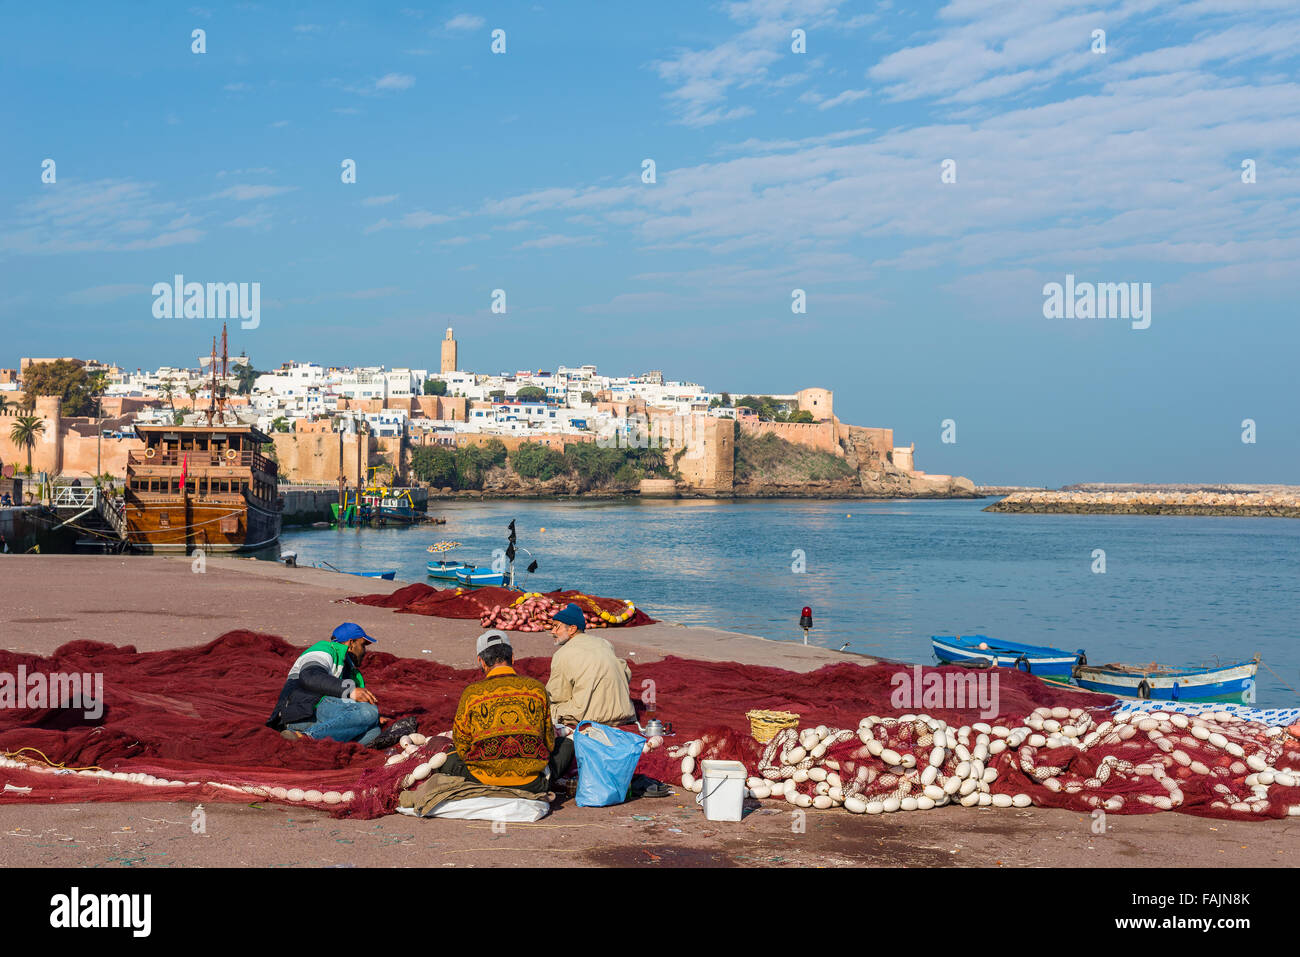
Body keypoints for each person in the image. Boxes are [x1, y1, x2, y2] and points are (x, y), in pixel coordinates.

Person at [440, 630, 571, 794]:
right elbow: (549, 742)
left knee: (448, 758)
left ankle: (491, 784)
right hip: (531, 782)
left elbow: (462, 745)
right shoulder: (536, 689)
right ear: (513, 658)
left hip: (483, 778)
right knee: (566, 745)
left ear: (481, 661)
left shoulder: (471, 694)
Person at [266, 622, 413, 748]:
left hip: (317, 716)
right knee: (369, 711)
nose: (365, 651)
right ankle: (307, 739)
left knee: (373, 731)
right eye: (363, 645)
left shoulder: (347, 668)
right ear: (351, 643)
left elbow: (347, 704)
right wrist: (352, 693)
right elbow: (310, 676)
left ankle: (303, 739)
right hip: (300, 712)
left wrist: (364, 718)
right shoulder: (323, 651)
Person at [546, 602, 635, 728]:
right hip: (624, 714)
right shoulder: (604, 643)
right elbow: (625, 673)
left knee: (544, 707)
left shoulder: (562, 654)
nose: (552, 631)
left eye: (556, 627)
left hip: (588, 717)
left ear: (572, 629)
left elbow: (557, 695)